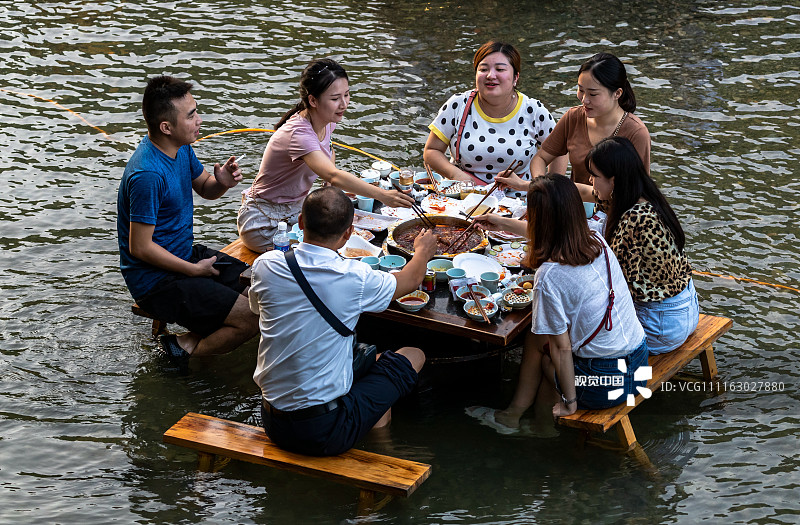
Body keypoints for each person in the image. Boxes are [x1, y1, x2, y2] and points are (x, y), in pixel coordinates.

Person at [249, 186, 437, 456]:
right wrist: (422, 251)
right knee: (412, 355)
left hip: (273, 420)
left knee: (373, 360)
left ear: (301, 223)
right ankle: (383, 451)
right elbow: (410, 281)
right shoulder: (355, 277)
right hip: (323, 432)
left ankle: (373, 431)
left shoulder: (267, 265)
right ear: (349, 233)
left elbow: (259, 310)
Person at [468, 174, 648, 432]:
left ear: (536, 217)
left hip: (607, 384)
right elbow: (548, 232)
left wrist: (570, 403)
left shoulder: (549, 276)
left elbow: (562, 349)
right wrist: (499, 223)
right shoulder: (595, 238)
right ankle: (514, 415)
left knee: (548, 361)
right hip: (639, 363)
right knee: (536, 337)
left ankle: (542, 432)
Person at [117, 75, 259, 369]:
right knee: (252, 318)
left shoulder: (180, 148)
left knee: (264, 287)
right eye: (192, 115)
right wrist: (194, 270)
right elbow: (140, 248)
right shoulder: (147, 175)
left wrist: (221, 183)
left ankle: (189, 339)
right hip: (155, 280)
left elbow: (206, 187)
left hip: (183, 256)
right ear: (166, 127)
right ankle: (178, 353)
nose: (200, 120)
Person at [238, 58, 414, 252]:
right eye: (335, 98)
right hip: (265, 223)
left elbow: (328, 154)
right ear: (313, 100)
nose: (344, 104)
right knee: (331, 250)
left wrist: (327, 187)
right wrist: (383, 195)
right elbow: (333, 174)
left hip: (296, 212)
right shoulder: (299, 133)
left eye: (346, 95)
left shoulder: (327, 120)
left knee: (348, 233)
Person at [586, 137, 699, 354]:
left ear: (614, 180)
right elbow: (587, 193)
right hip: (685, 307)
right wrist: (528, 186)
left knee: (573, 339)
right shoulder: (643, 197)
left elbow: (611, 279)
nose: (591, 181)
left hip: (661, 326)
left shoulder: (634, 218)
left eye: (594, 176)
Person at [495, 52, 650, 201]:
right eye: (580, 90)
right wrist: (540, 185)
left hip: (614, 216)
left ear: (617, 93)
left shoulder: (636, 132)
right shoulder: (574, 117)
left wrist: (540, 187)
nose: (584, 99)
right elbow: (541, 158)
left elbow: (637, 194)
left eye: (593, 94)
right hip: (575, 209)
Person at [423, 40, 567, 198]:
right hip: (464, 197)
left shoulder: (533, 110)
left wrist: (550, 192)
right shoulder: (458, 105)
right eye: (483, 69)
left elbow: (559, 151)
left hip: (519, 201)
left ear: (515, 77)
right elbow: (431, 151)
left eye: (500, 69)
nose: (491, 76)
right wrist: (457, 175)